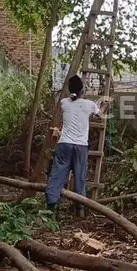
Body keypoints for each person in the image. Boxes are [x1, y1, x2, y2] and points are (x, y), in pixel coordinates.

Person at [45, 75, 100, 211]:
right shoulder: (90, 105)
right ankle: (79, 207)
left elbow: (70, 102)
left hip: (64, 144)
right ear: (83, 90)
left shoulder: (64, 103)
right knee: (80, 176)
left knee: (58, 174)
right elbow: (101, 114)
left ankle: (51, 204)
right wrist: (105, 105)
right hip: (81, 146)